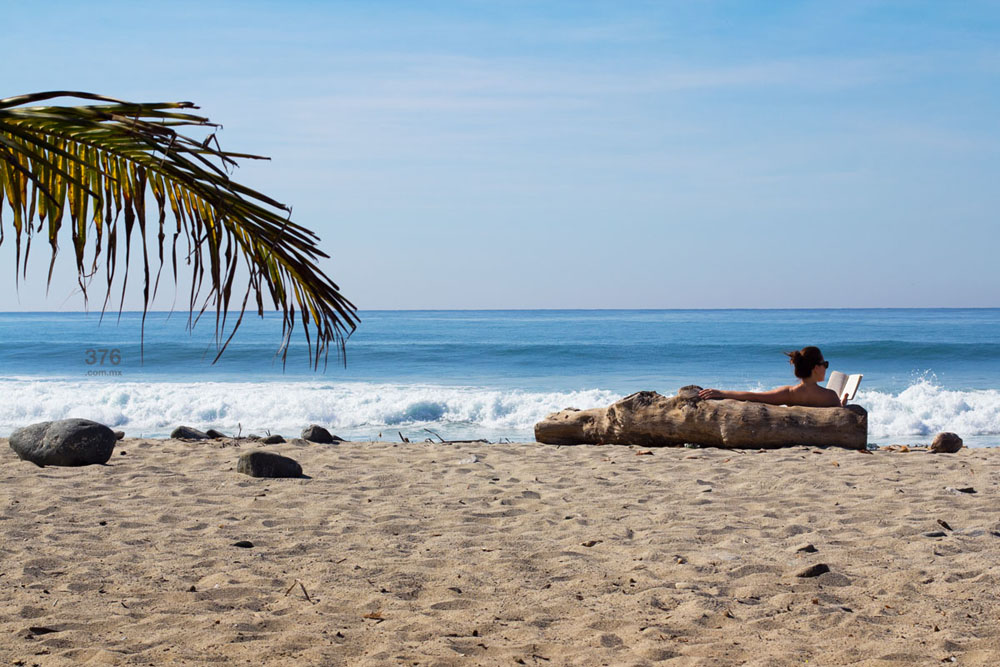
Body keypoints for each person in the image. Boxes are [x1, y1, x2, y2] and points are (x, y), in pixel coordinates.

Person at [698, 346, 848, 407]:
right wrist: (843, 405)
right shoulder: (830, 397)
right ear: (816, 368)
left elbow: (755, 396)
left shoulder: (789, 394)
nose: (826, 368)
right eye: (825, 364)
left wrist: (722, 393)